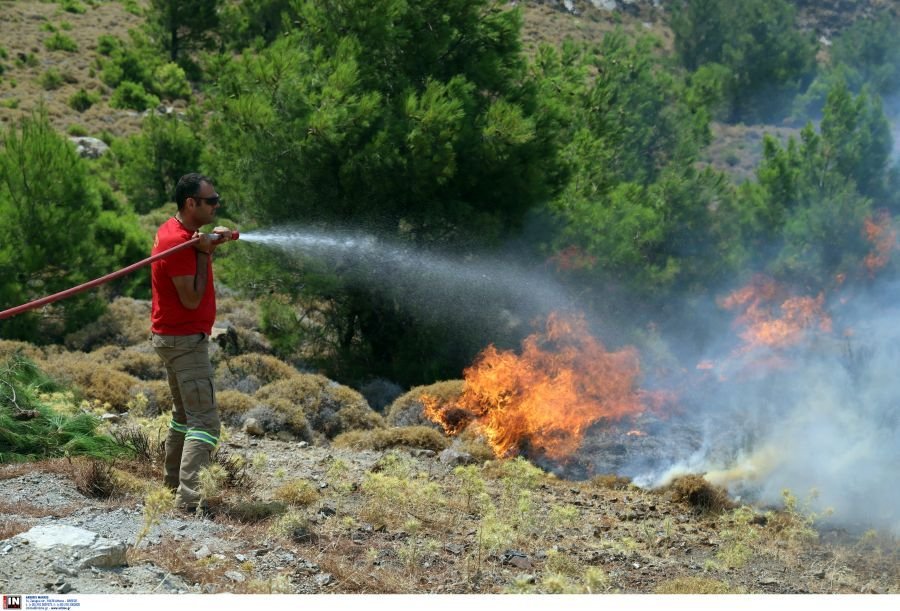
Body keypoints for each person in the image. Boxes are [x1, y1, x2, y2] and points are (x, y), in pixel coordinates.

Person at [150, 173, 235, 513]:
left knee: (184, 417)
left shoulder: (181, 235)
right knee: (205, 423)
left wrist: (207, 245)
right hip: (184, 341)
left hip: (173, 338)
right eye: (211, 201)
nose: (217, 206)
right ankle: (189, 501)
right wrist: (203, 253)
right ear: (191, 203)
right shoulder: (179, 243)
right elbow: (190, 299)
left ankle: (173, 489)